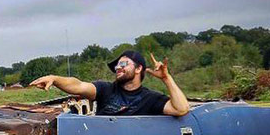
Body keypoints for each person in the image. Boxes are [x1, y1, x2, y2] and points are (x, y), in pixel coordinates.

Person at [29, 50, 189, 116]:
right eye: (117, 65)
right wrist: (55, 79)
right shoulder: (106, 89)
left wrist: (166, 79)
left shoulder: (150, 98)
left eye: (124, 64)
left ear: (139, 68)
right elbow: (77, 85)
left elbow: (181, 109)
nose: (118, 68)